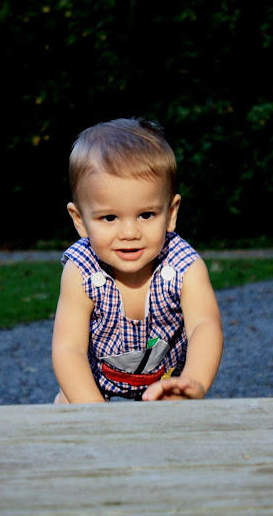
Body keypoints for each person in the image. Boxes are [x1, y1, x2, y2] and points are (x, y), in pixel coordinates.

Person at [52, 117, 223, 403]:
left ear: (170, 214)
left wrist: (193, 381)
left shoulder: (184, 266)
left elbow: (204, 325)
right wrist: (93, 409)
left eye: (146, 215)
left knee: (178, 410)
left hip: (165, 385)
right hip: (95, 386)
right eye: (109, 217)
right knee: (69, 402)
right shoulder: (81, 270)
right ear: (80, 220)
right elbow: (69, 348)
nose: (130, 233)